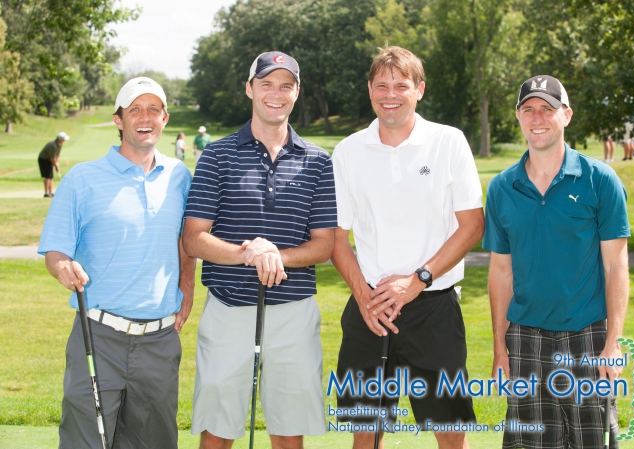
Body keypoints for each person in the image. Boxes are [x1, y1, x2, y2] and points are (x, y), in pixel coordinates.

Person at [331, 46, 484, 449]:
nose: (390, 94)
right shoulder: (348, 151)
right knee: (365, 431)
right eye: (381, 85)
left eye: (401, 85)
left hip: (433, 304)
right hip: (369, 307)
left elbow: (472, 227)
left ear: (419, 89)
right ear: (369, 90)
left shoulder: (448, 142)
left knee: (449, 430)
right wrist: (365, 297)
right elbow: (336, 238)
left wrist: (416, 281)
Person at [182, 51, 337, 449]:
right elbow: (194, 237)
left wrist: (276, 256)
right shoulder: (217, 155)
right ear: (250, 89)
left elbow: (324, 245)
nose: (276, 93)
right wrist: (249, 252)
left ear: (297, 93)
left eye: (286, 85)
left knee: (288, 430)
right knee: (218, 426)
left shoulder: (318, 161)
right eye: (266, 83)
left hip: (293, 312)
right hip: (229, 307)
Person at [38, 77, 195, 449]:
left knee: (153, 442)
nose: (145, 117)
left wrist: (187, 285)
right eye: (134, 109)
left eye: (153, 109)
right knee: (85, 441)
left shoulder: (179, 176)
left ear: (165, 118)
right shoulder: (82, 179)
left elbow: (186, 242)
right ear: (118, 119)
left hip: (159, 339)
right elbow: (56, 251)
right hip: (98, 334)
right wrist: (62, 268)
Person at [483, 75, 629, 449]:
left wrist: (613, 342)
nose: (537, 118)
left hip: (588, 333)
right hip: (525, 336)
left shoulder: (600, 180)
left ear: (566, 115)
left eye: (547, 109)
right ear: (518, 116)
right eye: (528, 109)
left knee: (590, 441)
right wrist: (500, 348)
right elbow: (501, 272)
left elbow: (616, 268)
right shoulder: (502, 187)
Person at [38, 132, 69, 197]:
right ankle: (46, 193)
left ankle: (51, 192)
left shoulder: (59, 144)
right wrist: (56, 166)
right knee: (47, 176)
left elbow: (59, 153)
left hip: (50, 159)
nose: (64, 141)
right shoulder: (53, 146)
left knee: (51, 176)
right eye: (64, 139)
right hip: (44, 159)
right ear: (60, 139)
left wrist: (57, 161)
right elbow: (52, 158)